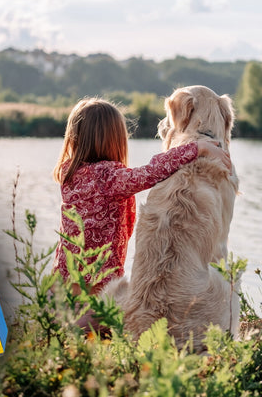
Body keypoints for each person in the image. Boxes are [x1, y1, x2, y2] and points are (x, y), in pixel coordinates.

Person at [52, 97, 231, 295]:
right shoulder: (109, 177)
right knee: (96, 321)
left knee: (65, 316)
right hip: (95, 277)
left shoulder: (69, 172)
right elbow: (152, 172)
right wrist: (198, 148)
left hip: (64, 272)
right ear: (115, 139)